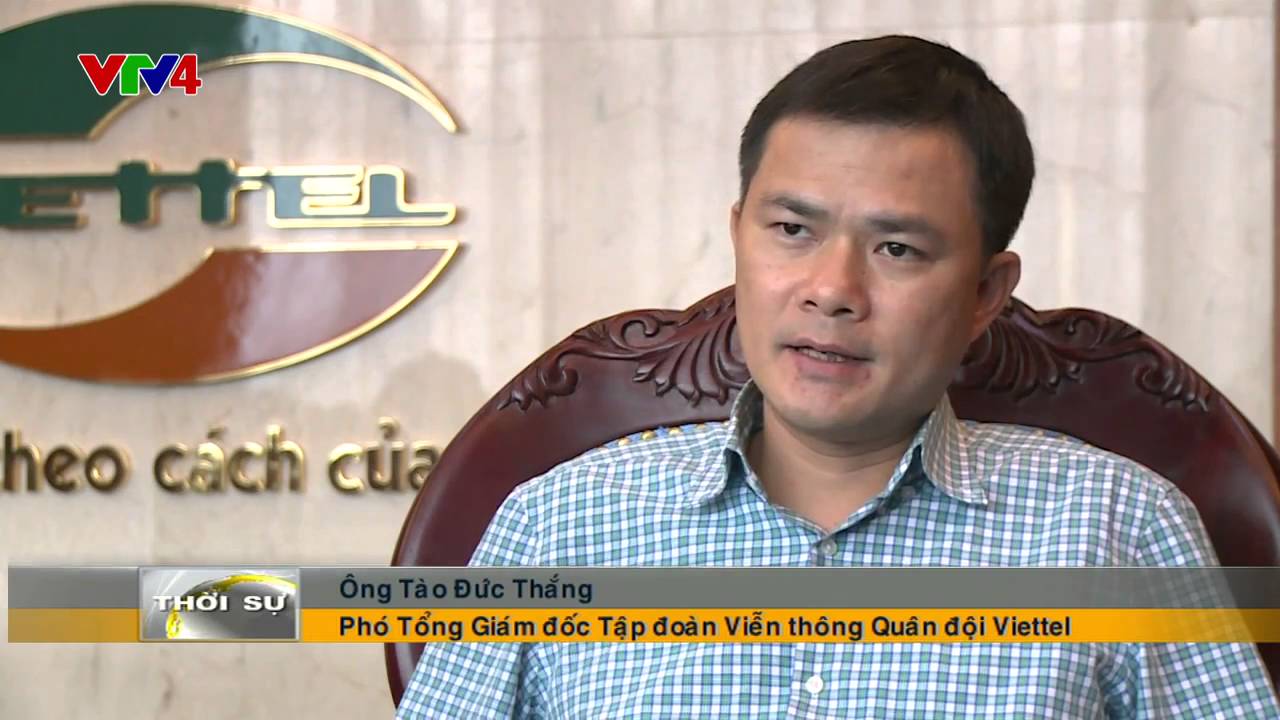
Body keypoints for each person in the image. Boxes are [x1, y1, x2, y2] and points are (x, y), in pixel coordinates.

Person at [397, 35, 1279, 718]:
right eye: (792, 231)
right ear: (739, 235)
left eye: (897, 248)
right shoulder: (557, 525)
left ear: (986, 293)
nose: (831, 290)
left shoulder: (1119, 529)